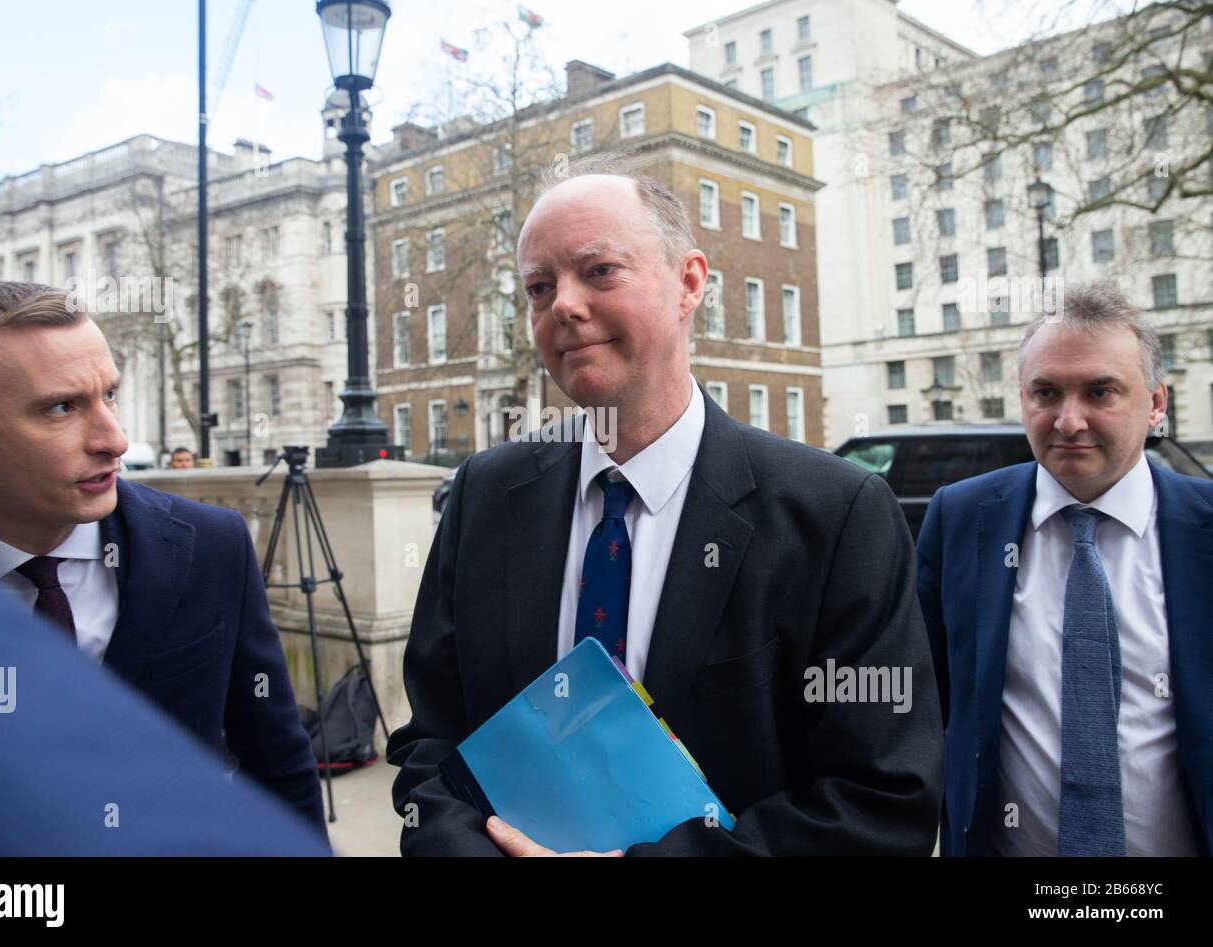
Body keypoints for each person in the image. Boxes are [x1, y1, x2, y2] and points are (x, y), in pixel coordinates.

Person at [388, 158, 943, 856]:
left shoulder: (836, 515)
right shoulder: (483, 496)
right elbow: (432, 747)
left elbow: (880, 803)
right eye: (539, 286)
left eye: (599, 271)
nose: (562, 303)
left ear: (688, 282)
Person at [0, 282, 325, 833]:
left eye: (109, 394)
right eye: (62, 407)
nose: (115, 439)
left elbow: (278, 764)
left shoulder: (211, 546)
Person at [917, 281, 1211, 857]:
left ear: (1156, 404)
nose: (1068, 421)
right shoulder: (961, 518)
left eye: (1101, 392)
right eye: (1046, 393)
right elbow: (923, 704)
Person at [0, 536, 331, 856]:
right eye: (58, 415)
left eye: (112, 414)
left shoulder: (212, 543)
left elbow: (278, 757)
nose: (114, 441)